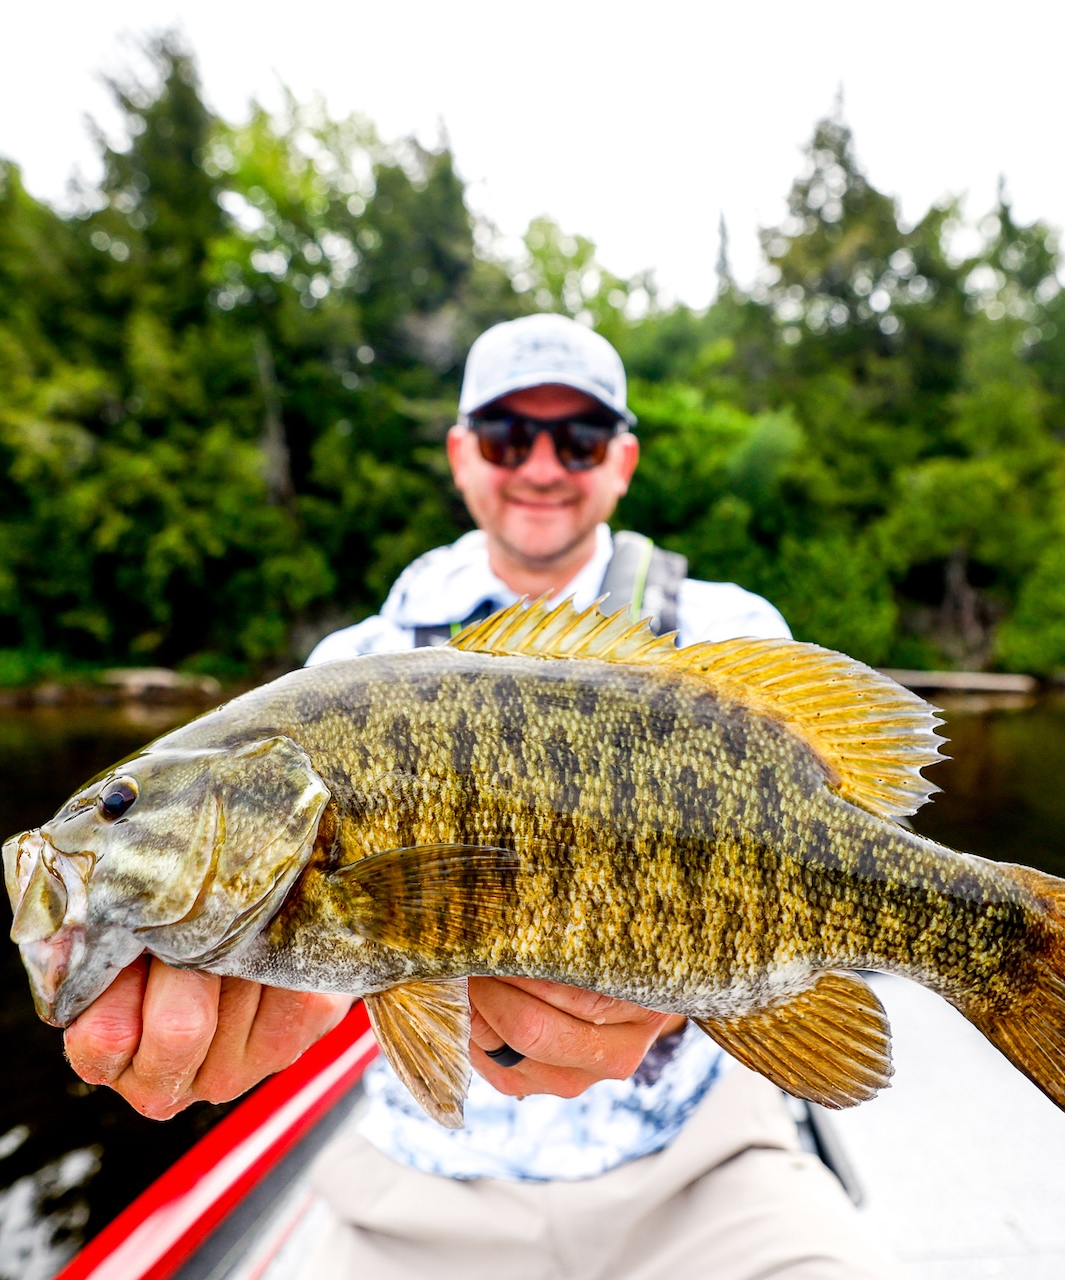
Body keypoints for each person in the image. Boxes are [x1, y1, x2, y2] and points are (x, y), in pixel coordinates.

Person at [62, 314, 887, 1279]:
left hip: (703, 1165)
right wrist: (261, 990)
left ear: (621, 461)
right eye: (508, 436)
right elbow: (341, 969)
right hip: (428, 1188)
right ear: (462, 455)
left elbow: (836, 882)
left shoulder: (727, 632)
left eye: (577, 438)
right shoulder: (350, 671)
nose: (542, 463)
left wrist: (670, 997)